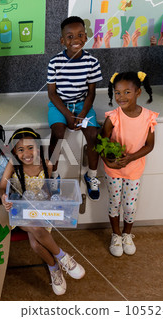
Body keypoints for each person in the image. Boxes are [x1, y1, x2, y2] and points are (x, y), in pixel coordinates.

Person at [0, 128, 85, 296]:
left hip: (41, 211)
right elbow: (1, 188)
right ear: (14, 151)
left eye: (31, 147)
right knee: (36, 229)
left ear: (38, 147)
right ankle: (63, 257)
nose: (27, 153)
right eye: (20, 149)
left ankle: (54, 267)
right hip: (20, 212)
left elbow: (47, 190)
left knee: (35, 244)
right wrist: (4, 197)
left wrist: (58, 202)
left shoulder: (47, 164)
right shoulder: (13, 165)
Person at [47, 16, 103, 201]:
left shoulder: (92, 62)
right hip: (60, 105)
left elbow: (91, 93)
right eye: (70, 37)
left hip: (82, 105)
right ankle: (53, 177)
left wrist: (81, 115)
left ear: (85, 37)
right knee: (58, 132)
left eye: (79, 35)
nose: (75, 40)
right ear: (63, 41)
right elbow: (52, 94)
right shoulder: (55, 62)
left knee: (94, 135)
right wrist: (68, 115)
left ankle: (91, 176)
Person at [103, 71, 158, 257]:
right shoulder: (113, 117)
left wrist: (131, 158)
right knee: (114, 202)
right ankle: (116, 235)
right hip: (114, 169)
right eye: (117, 92)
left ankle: (127, 234)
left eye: (127, 92)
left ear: (138, 92)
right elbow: (101, 142)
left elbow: (150, 145)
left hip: (134, 169)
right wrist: (109, 159)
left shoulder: (148, 117)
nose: (121, 97)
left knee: (129, 205)